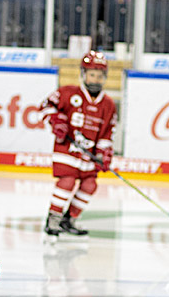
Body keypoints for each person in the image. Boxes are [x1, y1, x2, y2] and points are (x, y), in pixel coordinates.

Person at [39, 50, 118, 236]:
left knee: (90, 185)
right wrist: (56, 120)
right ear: (83, 74)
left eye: (100, 75)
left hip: (88, 153)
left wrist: (104, 153)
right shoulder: (68, 93)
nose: (95, 79)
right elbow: (45, 106)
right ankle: (54, 219)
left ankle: (70, 219)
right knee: (67, 181)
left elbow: (107, 133)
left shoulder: (108, 104)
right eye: (92, 74)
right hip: (67, 149)